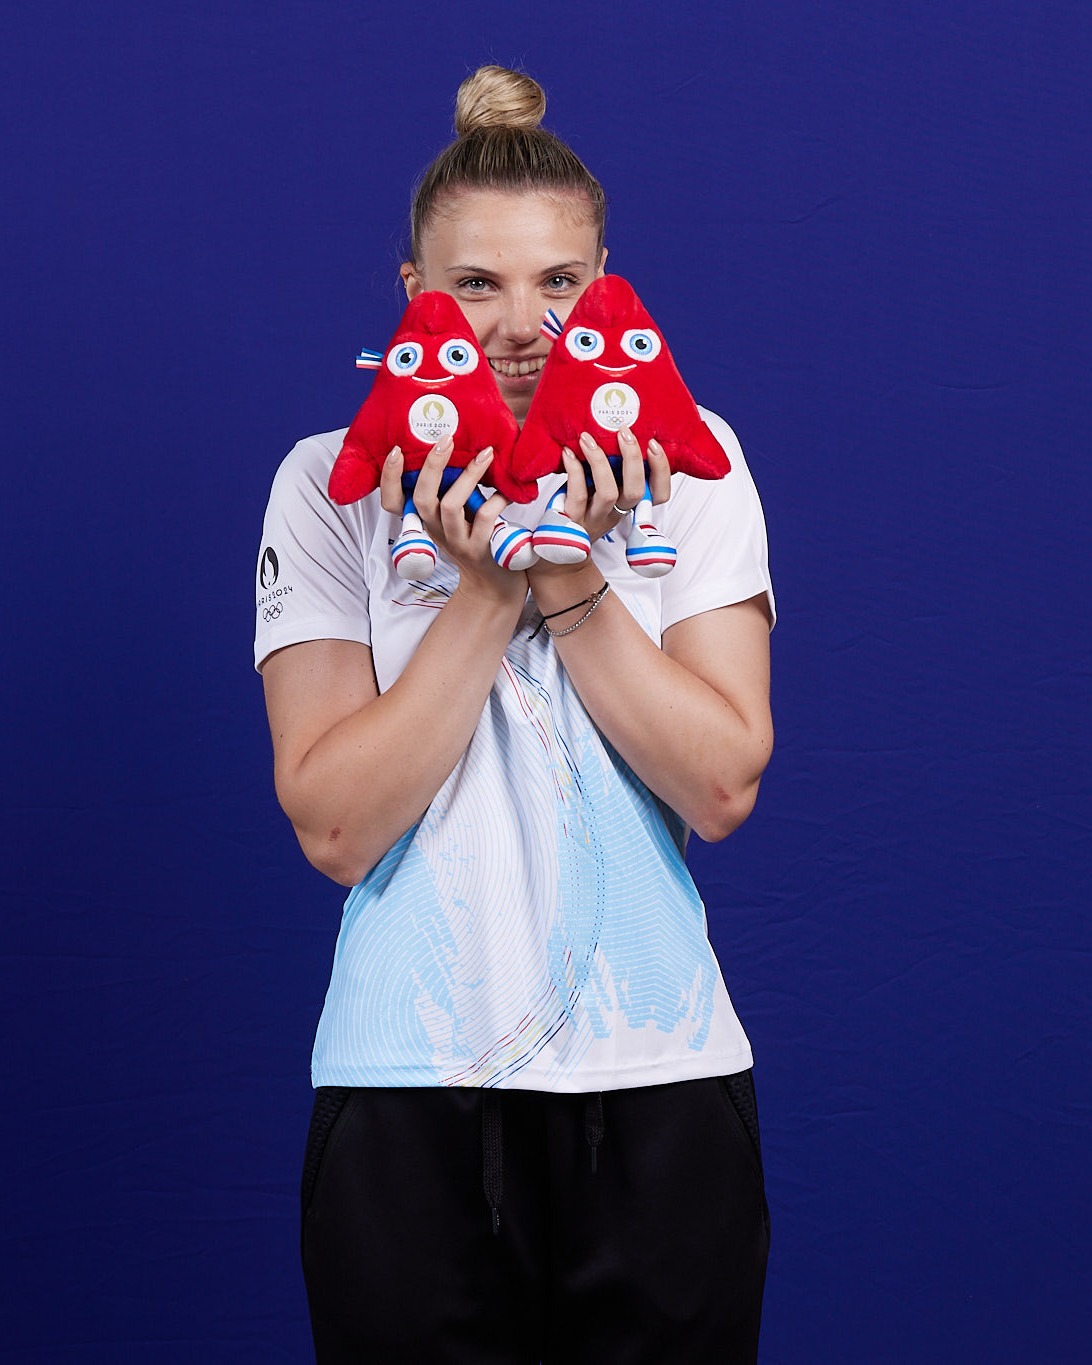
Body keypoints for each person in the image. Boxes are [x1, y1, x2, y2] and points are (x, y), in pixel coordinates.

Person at [255, 64, 775, 1365]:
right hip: (405, 1084)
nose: (524, 325)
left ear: (607, 289)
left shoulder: (694, 465)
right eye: (477, 284)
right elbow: (335, 825)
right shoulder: (328, 487)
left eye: (560, 282)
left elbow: (722, 784)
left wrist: (569, 573)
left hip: (658, 1076)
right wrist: (487, 585)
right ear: (414, 296)